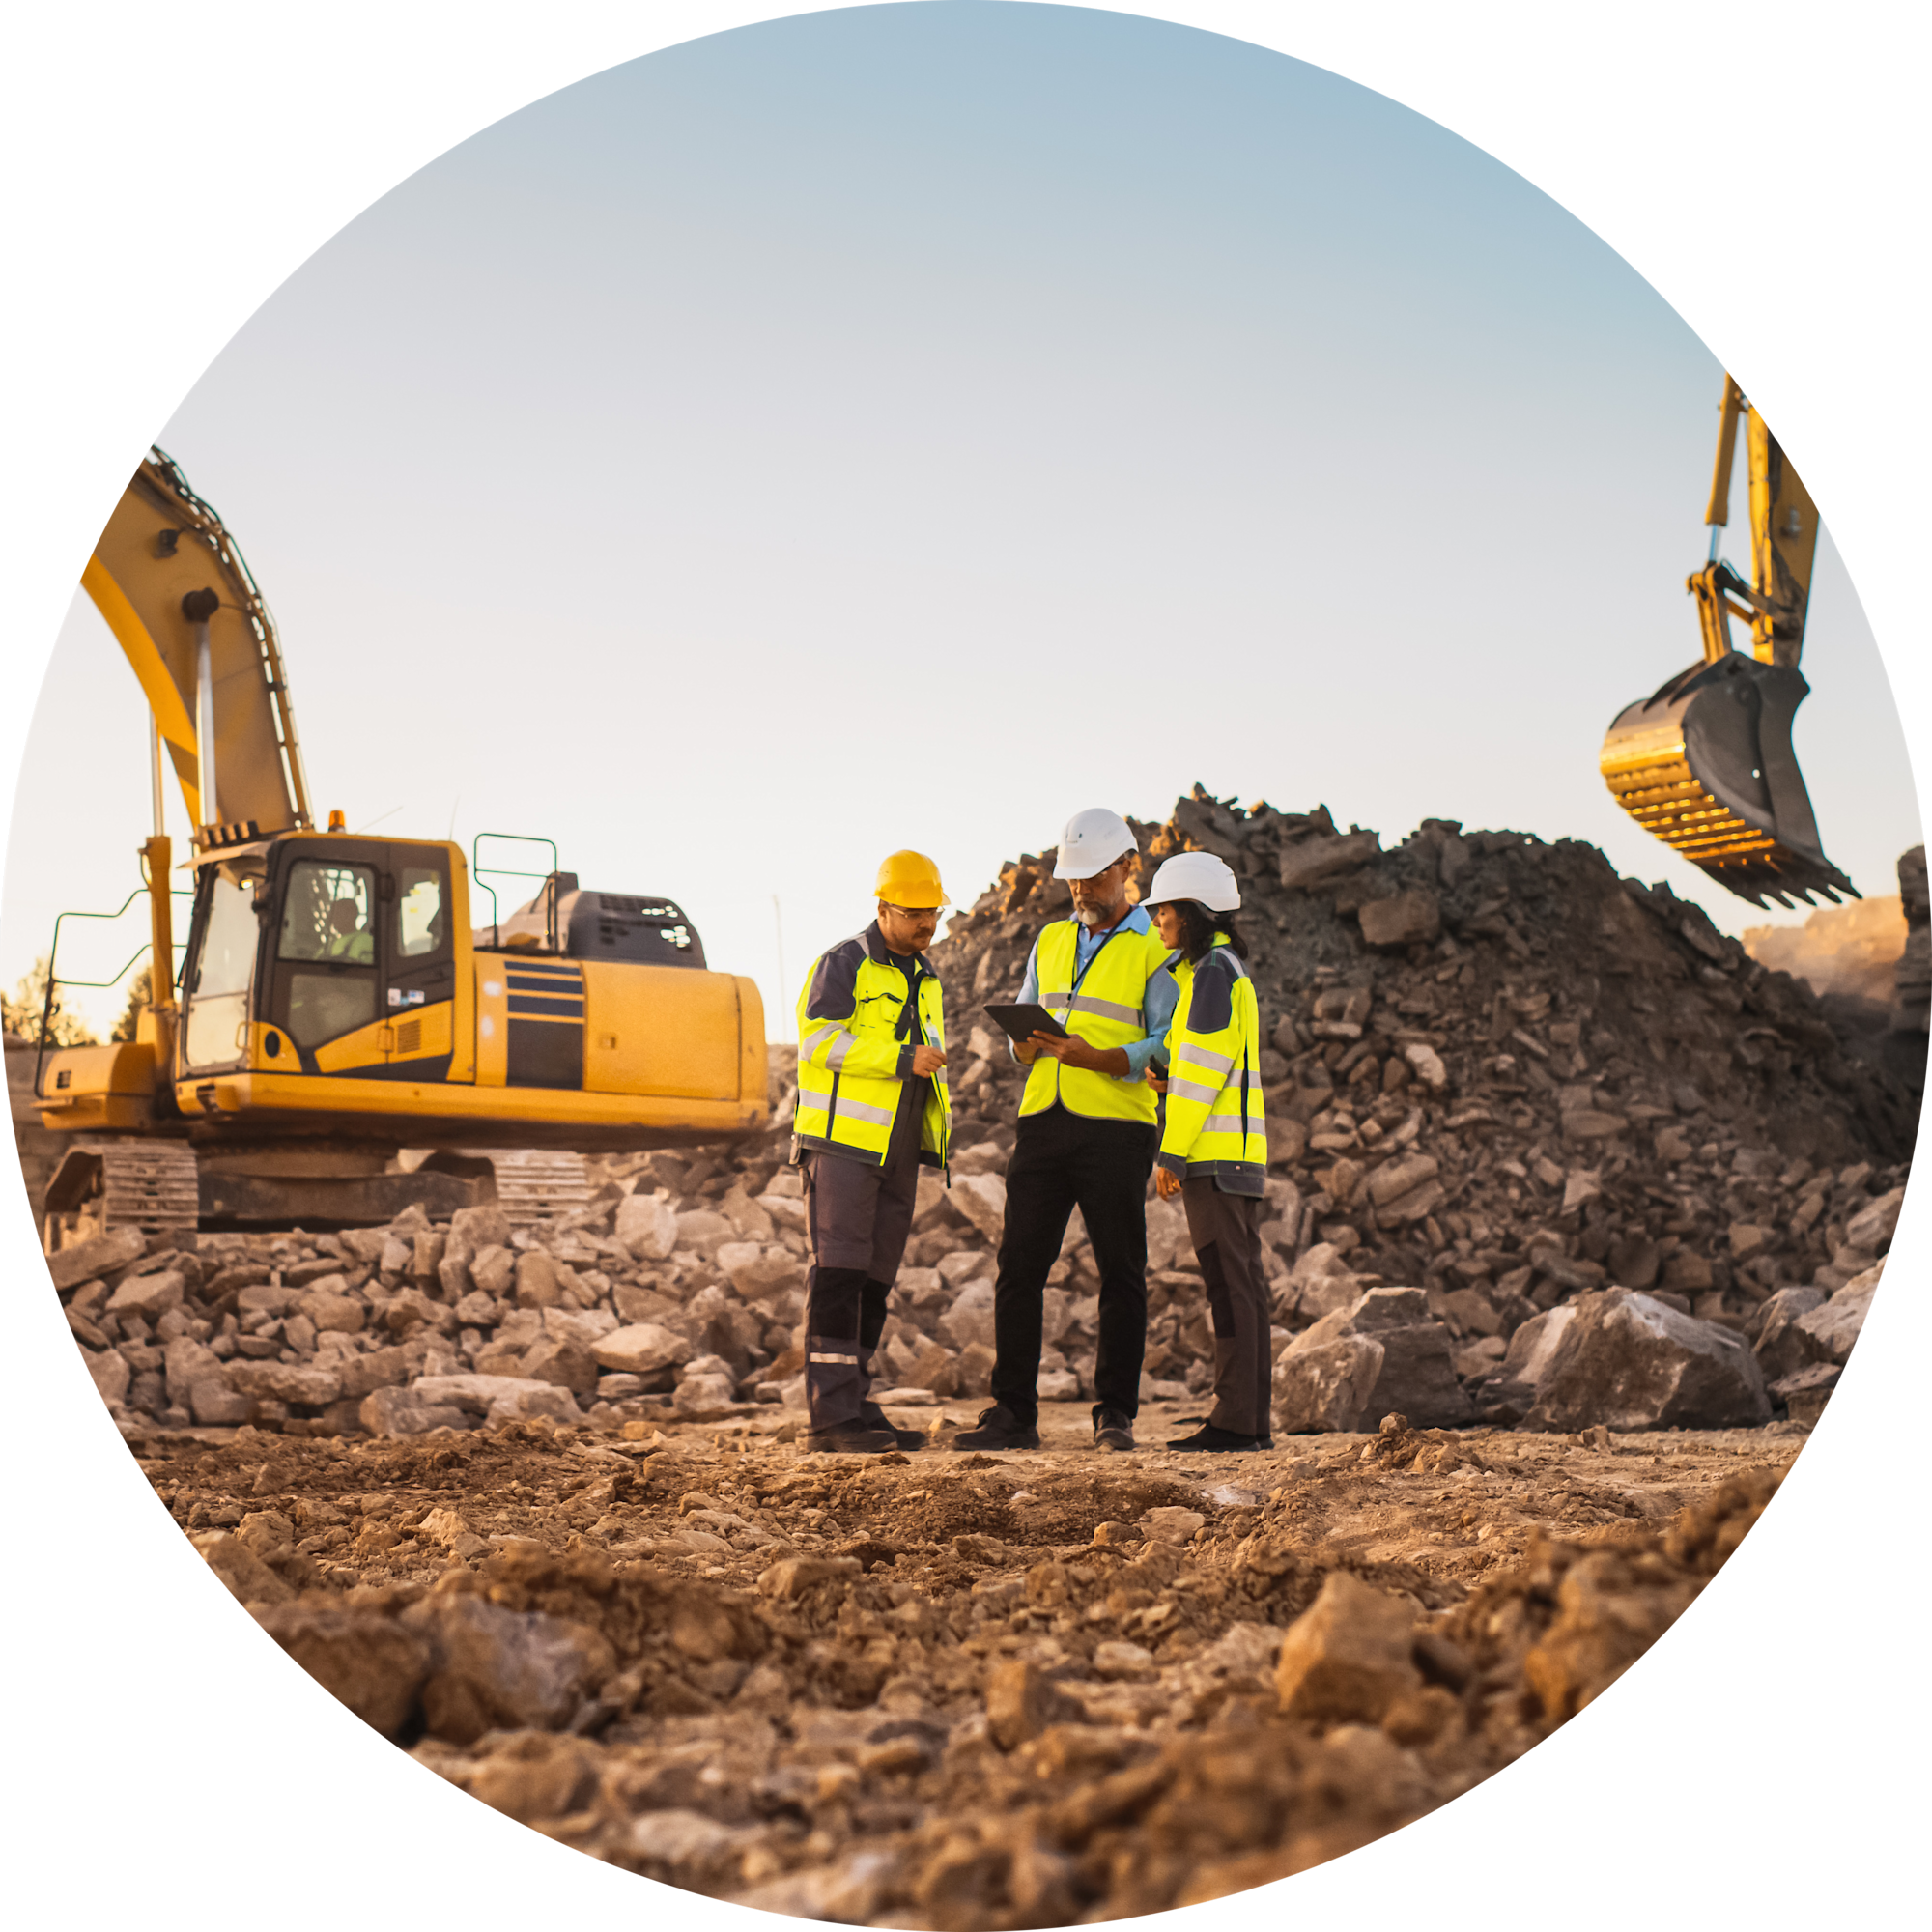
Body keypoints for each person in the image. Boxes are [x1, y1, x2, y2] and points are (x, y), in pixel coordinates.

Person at [952, 809, 1178, 1453]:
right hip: (1043, 1121)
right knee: (1019, 1265)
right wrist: (1025, 1048)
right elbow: (1023, 1037)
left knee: (1120, 1271)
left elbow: (1165, 1043)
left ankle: (1115, 1414)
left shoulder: (1152, 948)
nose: (1078, 888)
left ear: (1126, 869)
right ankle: (1013, 1412)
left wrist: (1102, 1058)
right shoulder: (1048, 941)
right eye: (1071, 877)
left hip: (1116, 1125)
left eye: (1091, 876)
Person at [792, 851, 952, 1454]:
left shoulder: (927, 975)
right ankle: (828, 1419)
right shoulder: (845, 963)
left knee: (875, 1278)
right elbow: (818, 1041)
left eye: (933, 914)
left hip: (900, 1145)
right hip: (843, 1144)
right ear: (883, 907)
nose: (927, 925)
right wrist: (898, 1059)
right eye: (915, 913)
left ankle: (854, 1400)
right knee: (837, 1270)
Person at [1141, 851, 1272, 1452]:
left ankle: (1235, 1423)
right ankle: (1245, 1420)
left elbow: (1206, 1073)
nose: (1158, 919)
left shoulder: (1214, 972)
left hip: (1215, 1157)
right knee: (1238, 1283)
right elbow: (1199, 1066)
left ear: (1192, 911)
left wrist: (1171, 1153)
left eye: (1165, 908)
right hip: (1227, 1154)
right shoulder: (1213, 972)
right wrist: (1167, 1073)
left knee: (1230, 1286)